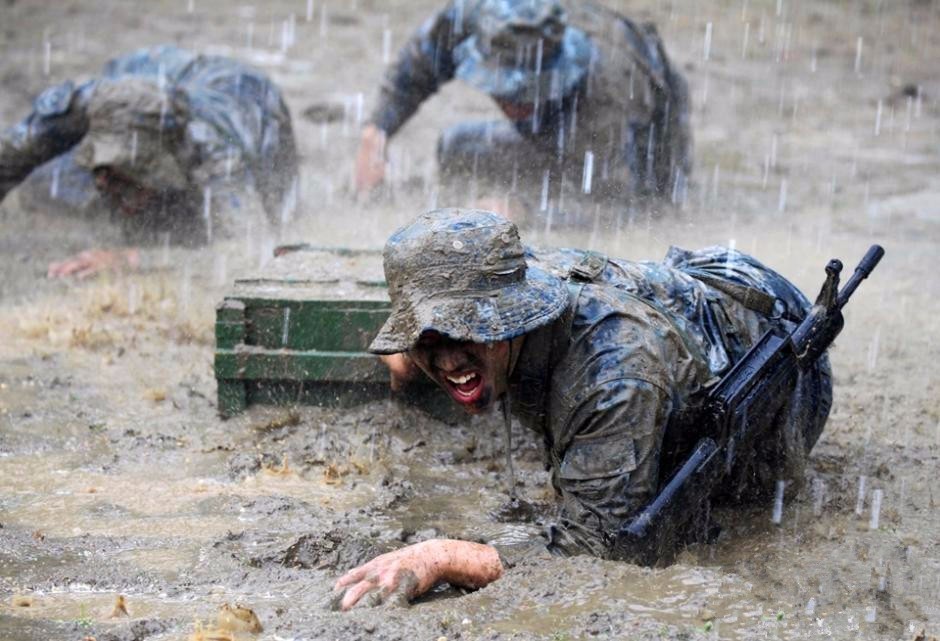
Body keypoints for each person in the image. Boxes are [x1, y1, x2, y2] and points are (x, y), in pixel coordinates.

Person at [331, 207, 832, 610]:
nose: (445, 358)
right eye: (425, 339)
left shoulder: (612, 376)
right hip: (693, 287)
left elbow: (600, 548)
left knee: (730, 493)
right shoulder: (505, 282)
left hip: (783, 359)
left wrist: (442, 556)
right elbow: (438, 316)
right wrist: (406, 352)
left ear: (511, 319)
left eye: (465, 332)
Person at [355, 0, 692, 222]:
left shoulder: (609, 86)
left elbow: (613, 208)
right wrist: (377, 131)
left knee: (655, 209)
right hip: (563, 117)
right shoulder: (478, 15)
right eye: (504, 90)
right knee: (458, 148)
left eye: (528, 91)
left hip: (645, 131)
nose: (514, 104)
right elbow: (416, 66)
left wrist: (523, 211)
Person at [0, 45, 299, 278]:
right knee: (45, 189)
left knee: (275, 216)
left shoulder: (217, 154)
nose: (102, 182)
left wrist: (133, 259)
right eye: (101, 169)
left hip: (247, 98)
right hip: (153, 67)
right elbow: (14, 149)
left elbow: (250, 251)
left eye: (122, 174)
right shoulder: (95, 102)